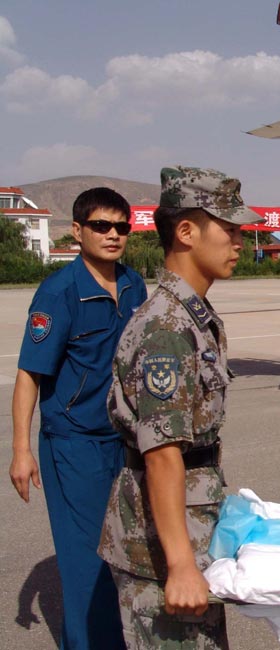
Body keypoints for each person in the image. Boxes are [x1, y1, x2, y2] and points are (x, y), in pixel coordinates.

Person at [98, 165, 263, 649]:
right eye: (229, 229)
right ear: (186, 232)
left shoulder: (191, 317)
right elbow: (162, 454)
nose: (239, 241)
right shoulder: (167, 329)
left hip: (188, 528)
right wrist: (181, 566)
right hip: (161, 552)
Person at [10, 187, 147, 649]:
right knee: (88, 564)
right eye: (101, 226)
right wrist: (21, 450)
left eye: (122, 227)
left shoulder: (133, 284)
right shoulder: (59, 293)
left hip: (123, 441)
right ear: (77, 230)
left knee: (127, 554)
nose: (113, 235)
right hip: (74, 445)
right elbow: (29, 375)